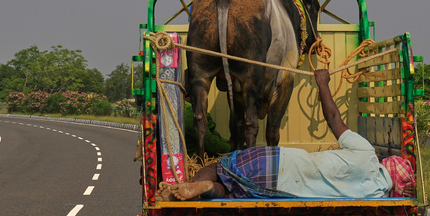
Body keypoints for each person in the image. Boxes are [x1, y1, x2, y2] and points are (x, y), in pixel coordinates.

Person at [158, 68, 416, 201]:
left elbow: (334, 119)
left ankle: (195, 184)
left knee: (218, 166)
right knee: (230, 194)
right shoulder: (375, 195)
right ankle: (208, 189)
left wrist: (323, 83)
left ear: (386, 165)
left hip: (279, 160)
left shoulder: (365, 153)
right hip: (282, 190)